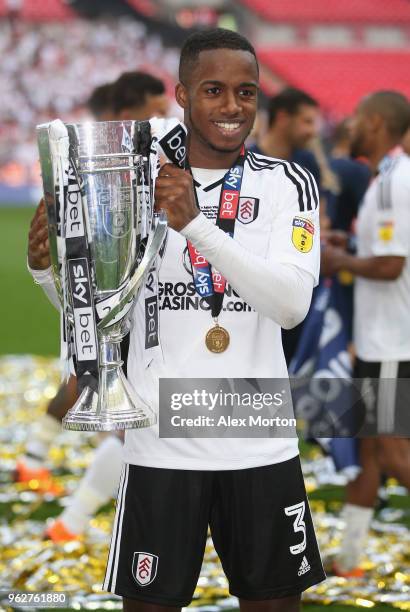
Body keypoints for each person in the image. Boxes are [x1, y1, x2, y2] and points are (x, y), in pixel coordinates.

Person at [29, 29, 325, 611]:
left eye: (246, 91)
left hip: (258, 445)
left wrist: (196, 226)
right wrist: (48, 272)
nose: (232, 106)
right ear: (182, 95)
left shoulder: (286, 184)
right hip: (161, 447)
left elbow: (291, 305)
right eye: (213, 90)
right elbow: (99, 317)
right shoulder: (128, 180)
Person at [23, 72, 170, 541]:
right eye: (154, 107)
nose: (161, 118)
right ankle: (69, 516)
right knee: (126, 412)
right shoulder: (91, 167)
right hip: (105, 307)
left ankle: (38, 467)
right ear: (129, 113)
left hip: (117, 312)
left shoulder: (143, 162)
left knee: (109, 400)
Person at [324, 91, 410, 577]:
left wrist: (341, 260)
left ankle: (352, 554)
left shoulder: (394, 182)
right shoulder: (387, 177)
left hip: (393, 340)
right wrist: (349, 244)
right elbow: (381, 249)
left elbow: (390, 264)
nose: (349, 125)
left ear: (375, 123)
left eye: (356, 117)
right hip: (382, 338)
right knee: (369, 449)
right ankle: (352, 556)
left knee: (395, 452)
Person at [251, 88, 321, 365]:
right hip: (257, 291)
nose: (312, 131)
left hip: (298, 285)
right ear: (282, 118)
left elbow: (318, 221)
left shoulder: (307, 164)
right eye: (307, 121)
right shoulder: (246, 161)